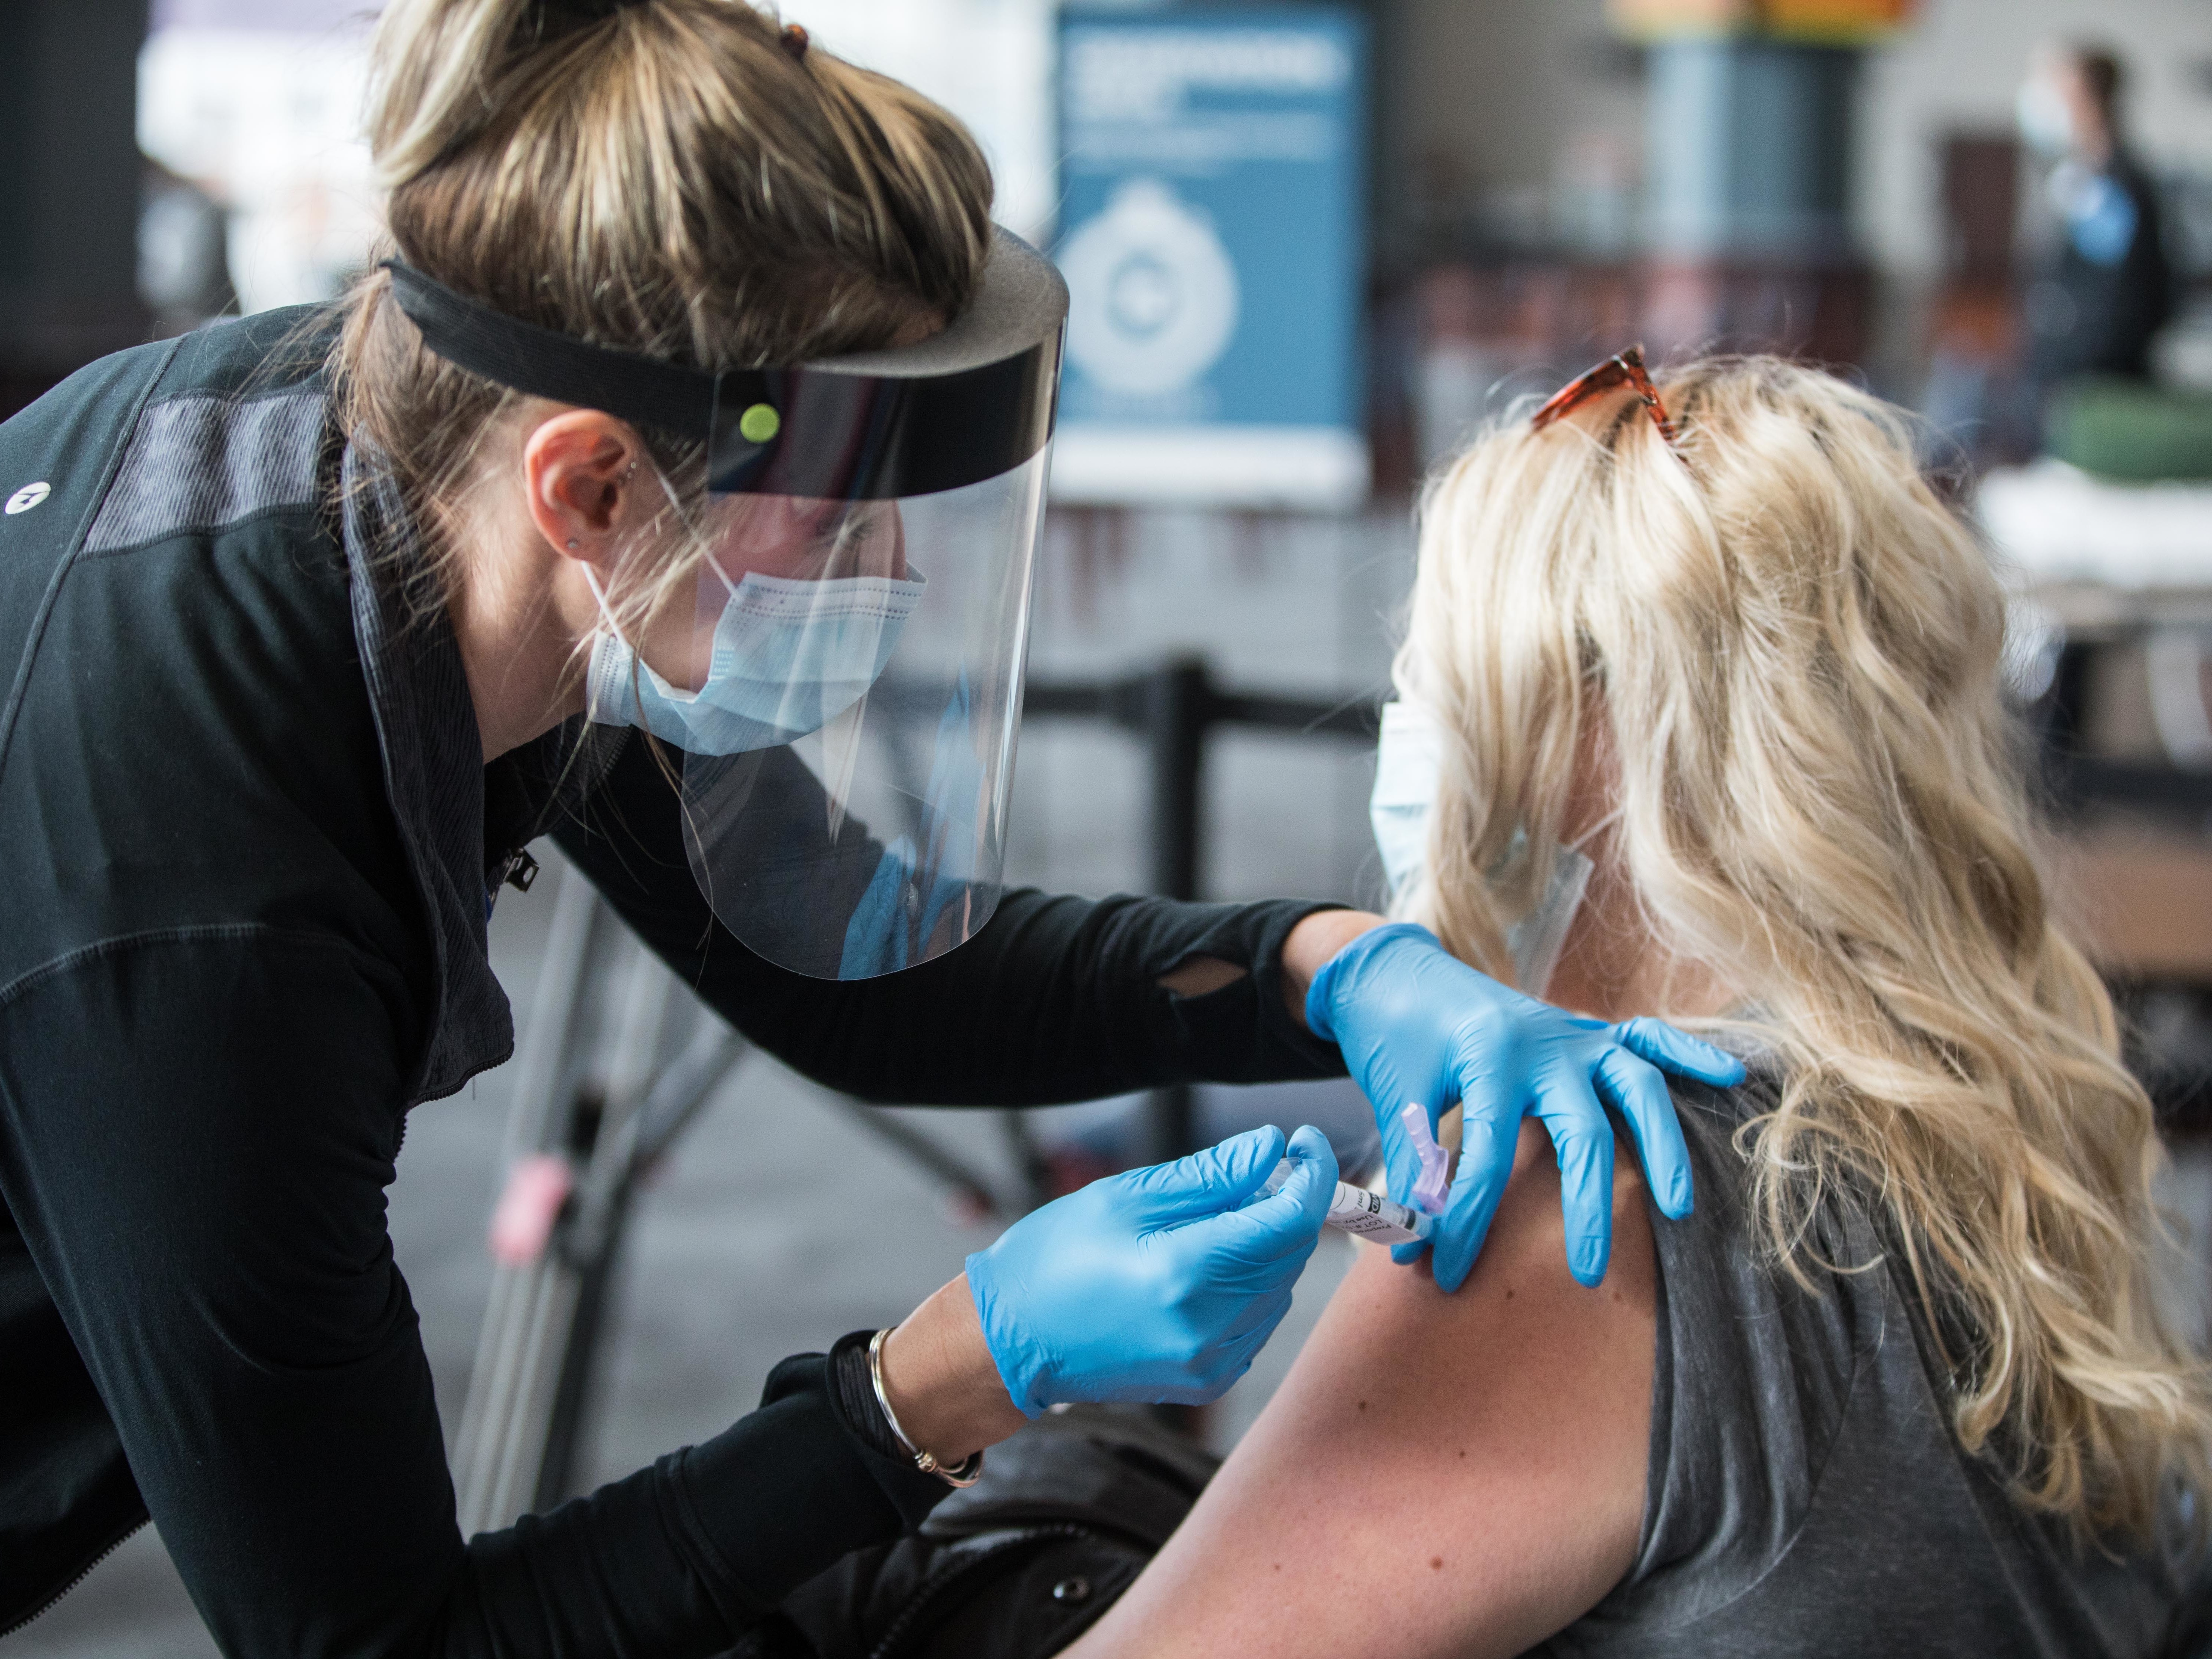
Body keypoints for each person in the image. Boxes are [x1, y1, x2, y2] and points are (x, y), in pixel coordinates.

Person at [0, 3, 1743, 1655]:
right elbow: (382, 1639)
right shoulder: (200, 917)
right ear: (591, 485)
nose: (889, 577)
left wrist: (1324, 966)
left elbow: (850, 951)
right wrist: (932, 1386)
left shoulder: (446, 468)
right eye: (839, 518)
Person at [1060, 351, 2212, 1658]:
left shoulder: (1585, 1189)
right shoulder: (1994, 1116)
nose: (1415, 734)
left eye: (1442, 678)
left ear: (1595, 732)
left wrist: (920, 1401)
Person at [2017, 42, 2175, 397]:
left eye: (2057, 87)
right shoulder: (2075, 177)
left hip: (2095, 387)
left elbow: (2118, 302)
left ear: (2087, 99)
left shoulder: (2116, 189)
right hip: (2058, 378)